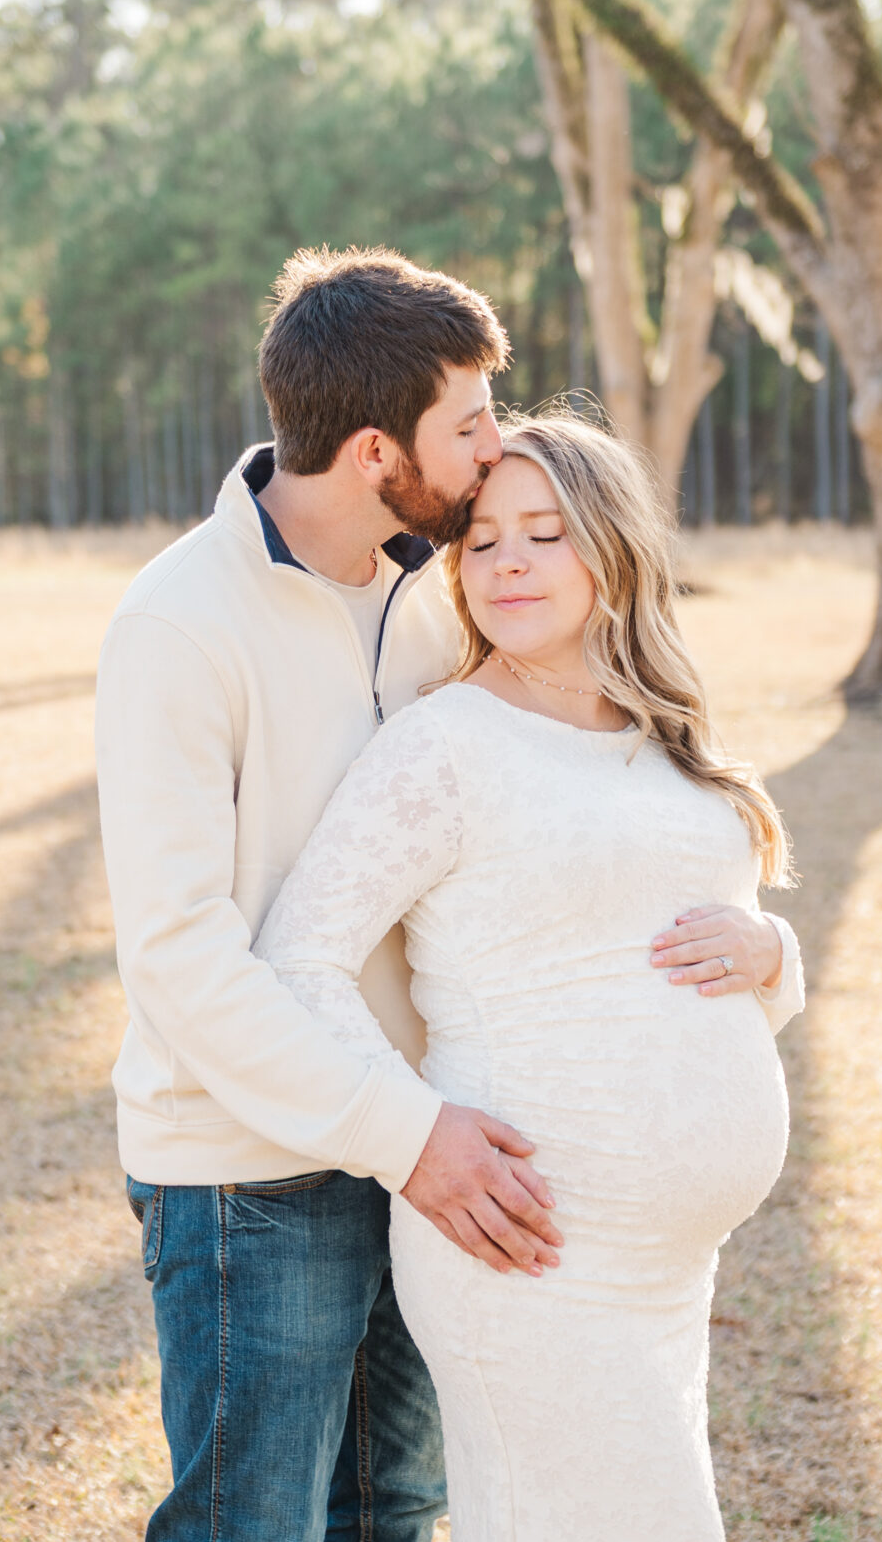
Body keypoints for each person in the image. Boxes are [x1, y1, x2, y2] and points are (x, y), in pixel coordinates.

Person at [95, 249, 798, 1542]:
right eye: (468, 427)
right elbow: (183, 957)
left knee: (399, 1510)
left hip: (439, 1149)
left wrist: (762, 957)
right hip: (260, 1165)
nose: (491, 456)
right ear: (376, 450)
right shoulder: (180, 625)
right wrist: (405, 1129)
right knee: (253, 1519)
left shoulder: (433, 590)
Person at [253, 413, 804, 1541]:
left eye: (545, 533)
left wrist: (774, 954)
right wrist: (411, 1131)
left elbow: (698, 928)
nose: (507, 559)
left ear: (612, 550)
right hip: (535, 1251)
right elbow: (297, 953)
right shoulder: (443, 744)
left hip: (662, 1263)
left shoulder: (662, 737)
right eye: (483, 537)